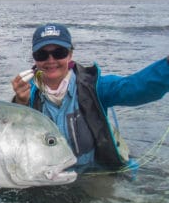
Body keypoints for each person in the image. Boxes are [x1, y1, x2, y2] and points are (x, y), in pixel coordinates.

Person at [11, 23, 169, 172]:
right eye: (42, 54)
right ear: (35, 58)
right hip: (45, 178)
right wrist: (19, 104)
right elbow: (10, 141)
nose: (51, 60)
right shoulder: (25, 94)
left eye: (59, 53)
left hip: (92, 174)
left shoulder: (94, 86)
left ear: (70, 54)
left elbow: (136, 87)